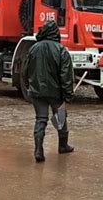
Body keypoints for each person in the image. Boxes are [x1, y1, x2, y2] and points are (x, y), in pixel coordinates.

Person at [23, 21, 74, 163]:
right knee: (61, 118)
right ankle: (63, 146)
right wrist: (68, 95)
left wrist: (29, 87)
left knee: (41, 119)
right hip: (56, 93)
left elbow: (24, 71)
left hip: (37, 92)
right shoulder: (61, 50)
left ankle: (38, 149)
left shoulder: (33, 49)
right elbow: (66, 76)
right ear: (56, 34)